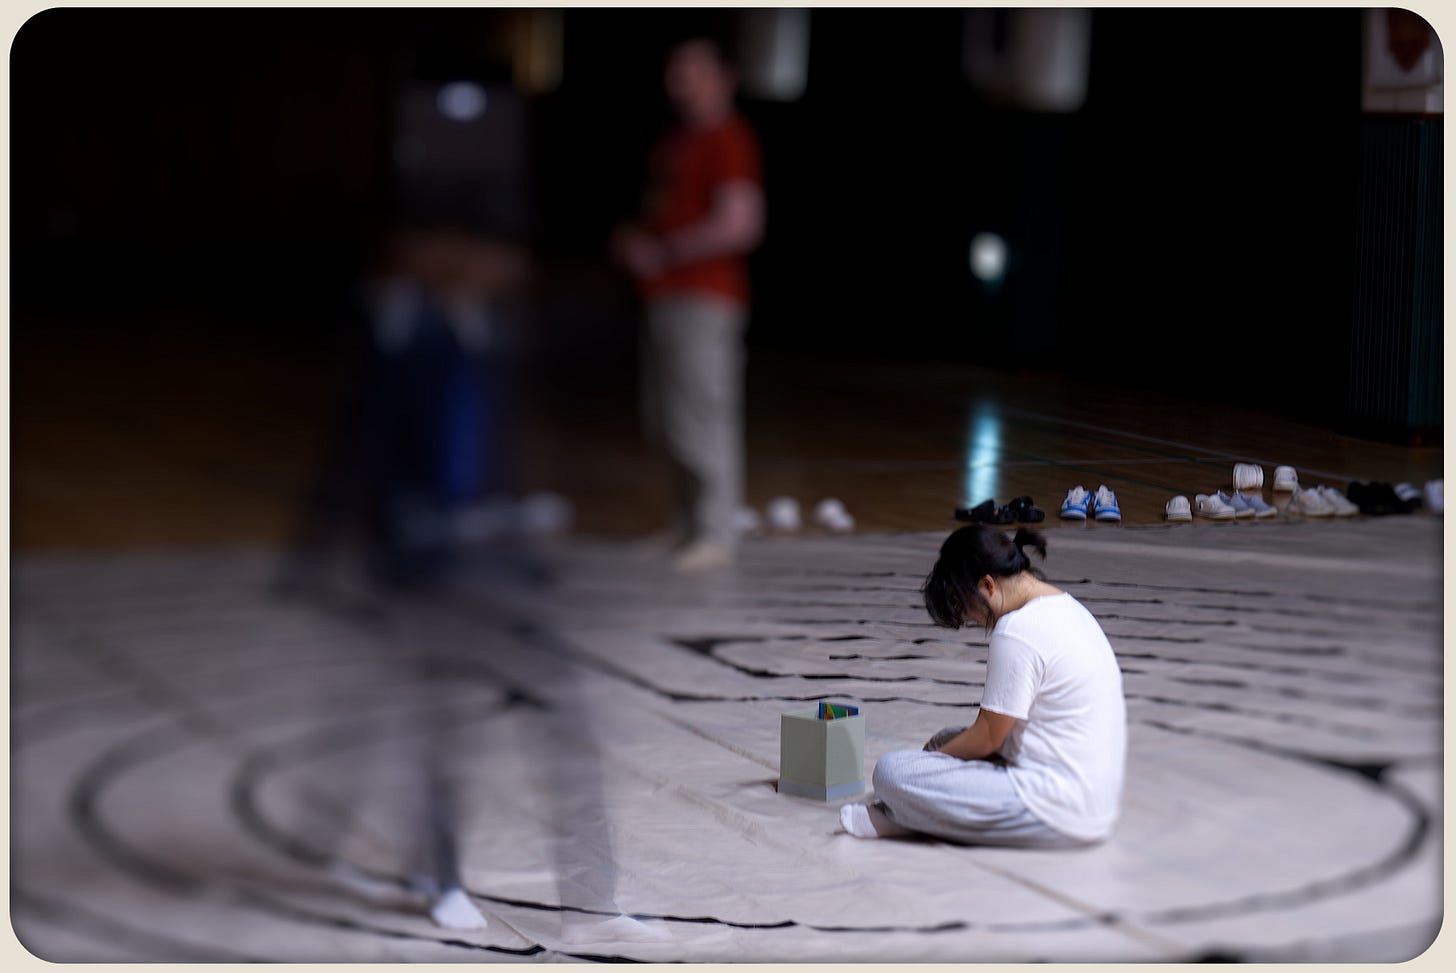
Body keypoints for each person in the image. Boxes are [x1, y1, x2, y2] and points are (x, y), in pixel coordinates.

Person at [840, 525, 1127, 848]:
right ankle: (916, 810)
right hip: (1092, 799)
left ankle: (905, 815)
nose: (973, 619)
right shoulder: (1067, 607)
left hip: (1054, 810)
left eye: (967, 607)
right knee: (944, 740)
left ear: (988, 585)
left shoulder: (1017, 631)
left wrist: (933, 767)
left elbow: (988, 738)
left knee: (891, 772)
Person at [611, 34, 765, 573]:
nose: (680, 82)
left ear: (725, 78)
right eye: (676, 71)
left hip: (705, 296)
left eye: (693, 71)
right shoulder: (677, 139)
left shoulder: (729, 137)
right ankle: (685, 524)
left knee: (702, 414)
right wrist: (639, 243)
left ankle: (715, 532)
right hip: (665, 294)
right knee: (667, 418)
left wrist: (666, 251)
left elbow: (741, 223)